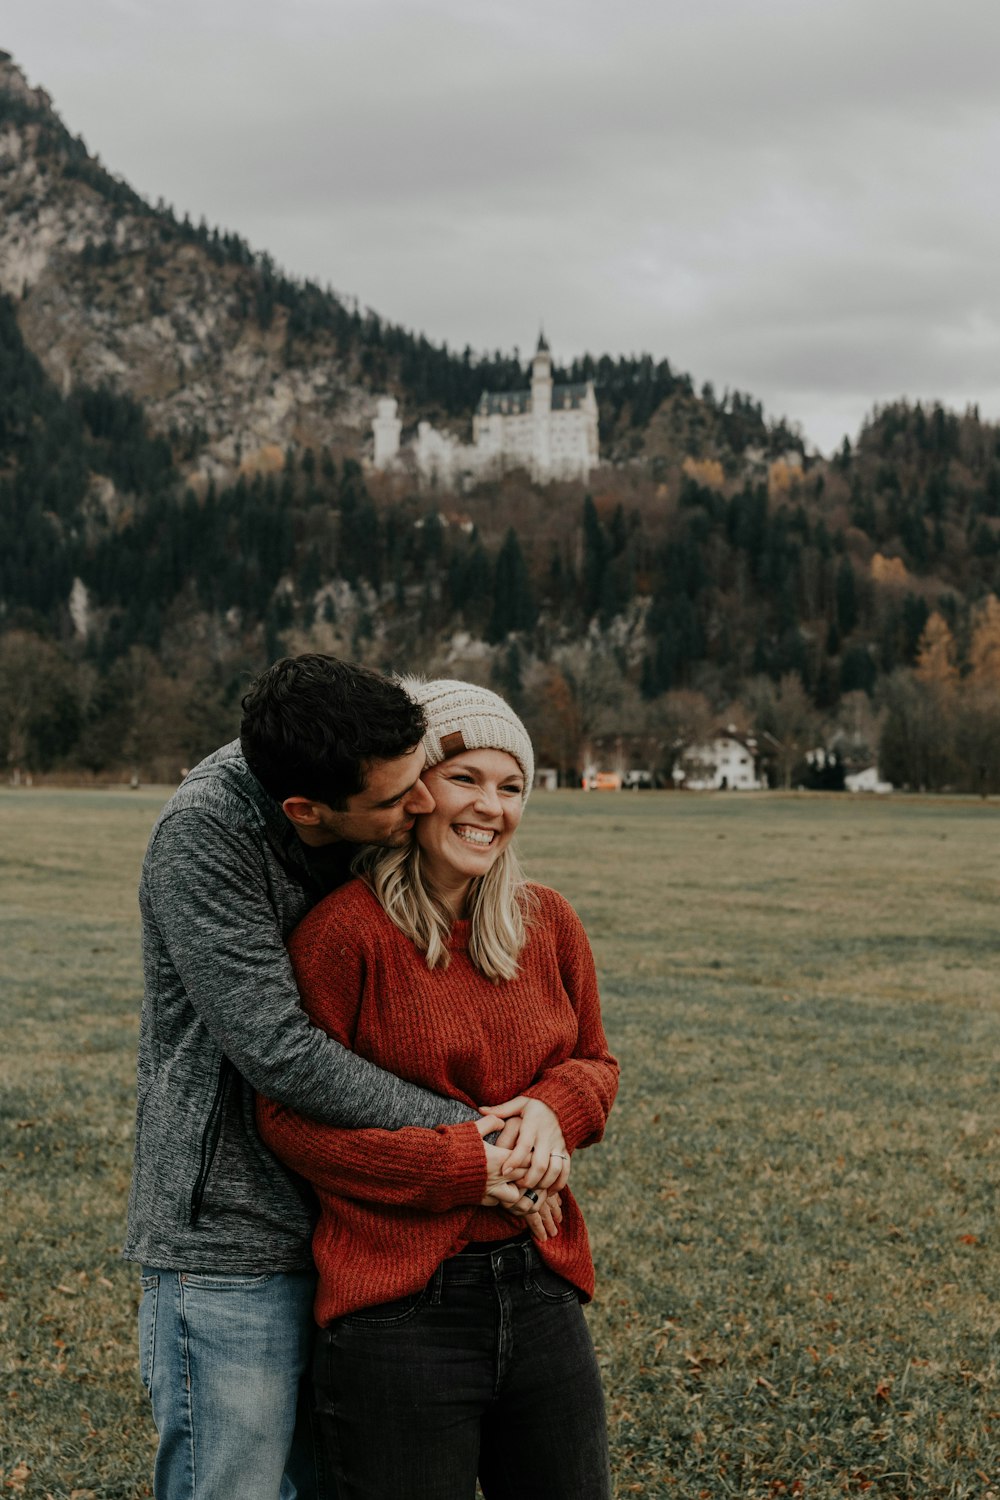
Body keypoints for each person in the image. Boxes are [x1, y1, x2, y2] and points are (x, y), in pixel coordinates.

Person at [124, 655, 562, 1500]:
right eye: (402, 800)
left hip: (360, 1227)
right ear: (307, 812)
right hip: (235, 1236)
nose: (425, 804)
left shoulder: (354, 777)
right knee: (240, 1487)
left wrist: (539, 1105)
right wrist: (475, 1135)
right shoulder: (205, 838)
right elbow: (281, 1051)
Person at [258, 679, 619, 1500]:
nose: (490, 806)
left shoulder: (549, 921)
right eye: (467, 779)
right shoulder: (345, 935)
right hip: (397, 1311)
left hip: (540, 1284)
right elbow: (284, 1118)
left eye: (512, 785)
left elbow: (596, 1064)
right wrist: (462, 1167)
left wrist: (553, 1110)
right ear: (416, 793)